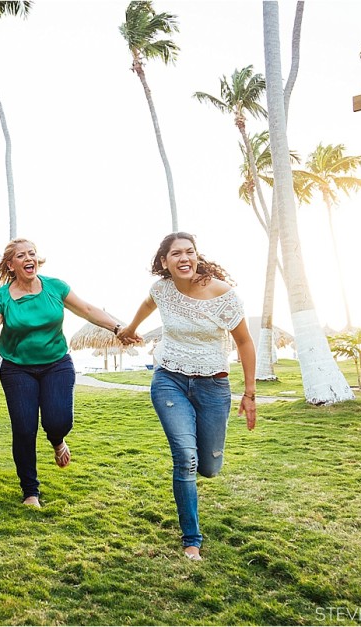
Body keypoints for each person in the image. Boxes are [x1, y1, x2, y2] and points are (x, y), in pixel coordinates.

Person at [118, 232, 257, 560]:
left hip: (213, 386)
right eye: (176, 254)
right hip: (169, 379)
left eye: (189, 252)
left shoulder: (223, 296)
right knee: (185, 457)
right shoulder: (163, 289)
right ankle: (191, 539)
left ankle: (201, 478)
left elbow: (245, 342)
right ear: (164, 262)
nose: (184, 258)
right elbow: (148, 303)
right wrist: (131, 328)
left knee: (208, 467)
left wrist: (250, 392)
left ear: (197, 256)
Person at [0, 238, 132, 508]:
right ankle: (30, 491)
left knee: (58, 421)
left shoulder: (55, 287)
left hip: (56, 363)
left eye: (31, 253)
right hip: (17, 368)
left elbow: (88, 310)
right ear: (11, 265)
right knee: (23, 428)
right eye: (20, 256)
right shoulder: (1, 297)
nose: (28, 258)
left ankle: (57, 441)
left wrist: (118, 328)